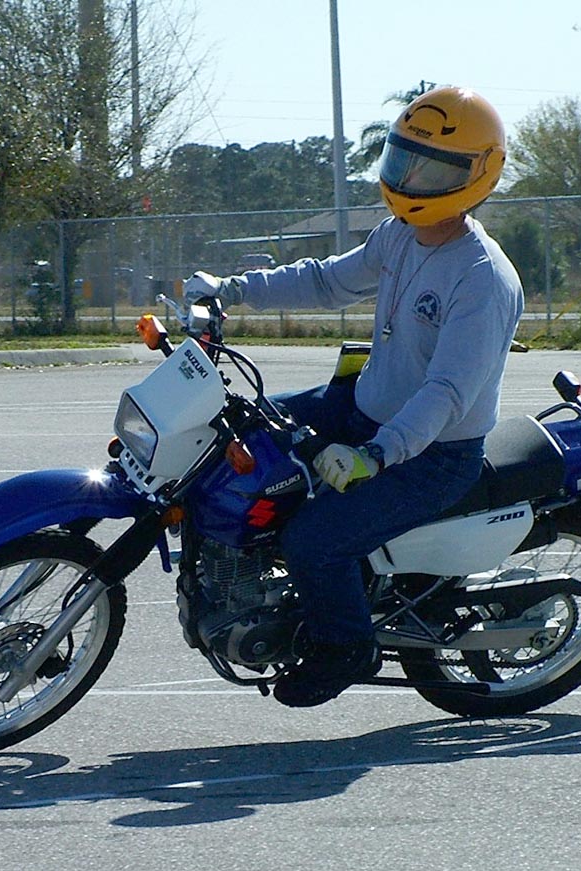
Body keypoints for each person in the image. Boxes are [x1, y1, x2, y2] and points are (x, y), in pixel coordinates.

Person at [183, 86, 525, 708]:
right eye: (405, 160)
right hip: (361, 408)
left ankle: (345, 646)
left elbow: (447, 392)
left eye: (434, 170)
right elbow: (325, 282)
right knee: (235, 433)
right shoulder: (398, 235)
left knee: (314, 541)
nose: (412, 181)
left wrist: (376, 454)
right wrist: (231, 289)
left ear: (478, 175)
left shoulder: (483, 279)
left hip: (431, 456)